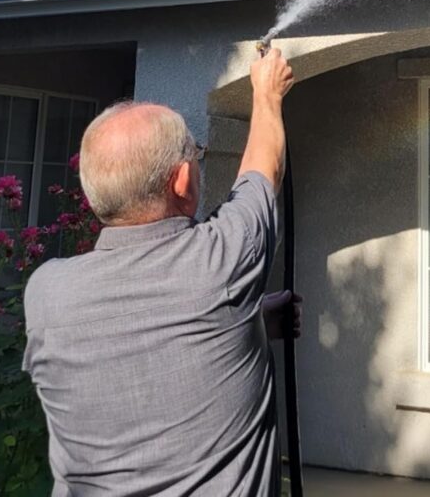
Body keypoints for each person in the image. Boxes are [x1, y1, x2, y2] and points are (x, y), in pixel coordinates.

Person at [23, 47, 297, 497]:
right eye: (197, 155)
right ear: (183, 180)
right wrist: (267, 95)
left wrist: (246, 322)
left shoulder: (47, 292)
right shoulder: (221, 263)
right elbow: (262, 171)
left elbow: (143, 339)